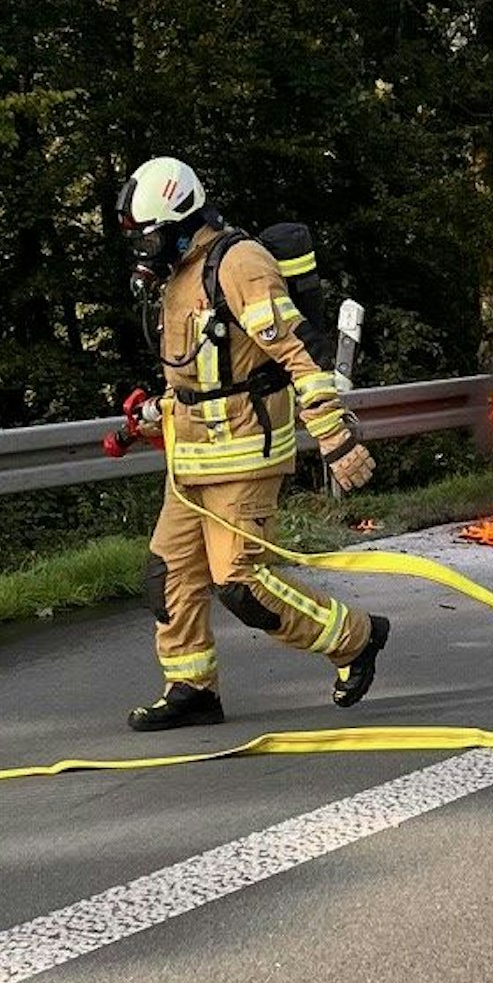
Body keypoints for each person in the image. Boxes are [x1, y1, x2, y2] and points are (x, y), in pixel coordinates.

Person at [118, 155, 388, 732]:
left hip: (243, 454)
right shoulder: (179, 277)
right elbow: (197, 376)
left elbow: (302, 357)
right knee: (167, 576)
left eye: (151, 237)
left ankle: (356, 639)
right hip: (189, 465)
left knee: (242, 587)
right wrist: (152, 415)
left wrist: (334, 439)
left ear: (182, 220)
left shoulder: (240, 265)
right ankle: (192, 689)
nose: (145, 251)